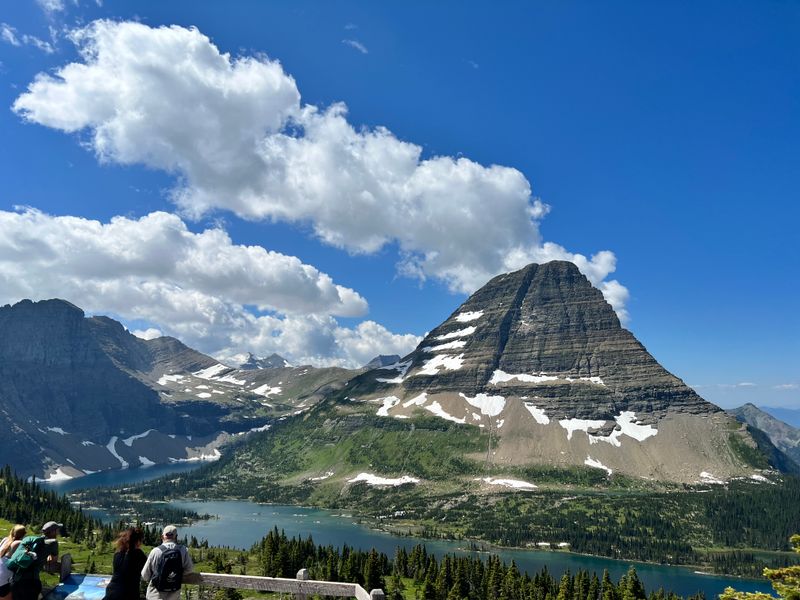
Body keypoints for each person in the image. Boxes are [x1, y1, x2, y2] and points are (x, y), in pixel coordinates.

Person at [9, 521, 60, 600]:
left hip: (15, 581)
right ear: (53, 532)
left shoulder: (30, 540)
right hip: (31, 583)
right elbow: (53, 559)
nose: (58, 532)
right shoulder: (53, 543)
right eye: (57, 530)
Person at [141, 525, 193, 600]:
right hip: (174, 595)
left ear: (162, 536)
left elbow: (145, 575)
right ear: (176, 537)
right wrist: (176, 575)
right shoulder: (183, 550)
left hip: (155, 595)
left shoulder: (155, 551)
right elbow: (190, 569)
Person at [103, 528, 147, 600]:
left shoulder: (117, 553)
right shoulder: (139, 555)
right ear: (138, 541)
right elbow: (147, 573)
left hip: (111, 592)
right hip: (129, 594)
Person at [0, 525, 26, 600]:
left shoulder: (5, 539)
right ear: (24, 534)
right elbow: (29, 552)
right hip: (4, 580)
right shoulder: (20, 543)